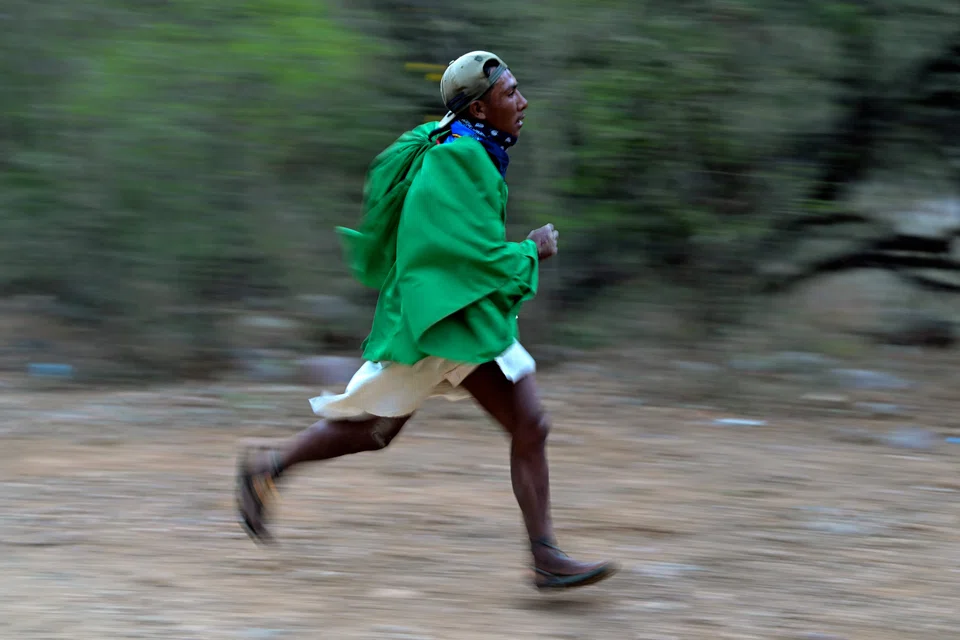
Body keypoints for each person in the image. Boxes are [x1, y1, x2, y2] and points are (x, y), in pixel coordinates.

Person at [236, 51, 618, 590]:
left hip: (452, 311)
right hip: (441, 318)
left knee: (381, 430)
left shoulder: (468, 147)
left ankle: (269, 467)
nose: (522, 101)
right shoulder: (458, 158)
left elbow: (456, 249)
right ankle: (545, 558)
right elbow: (459, 253)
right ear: (481, 108)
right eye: (510, 94)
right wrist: (531, 251)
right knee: (501, 425)